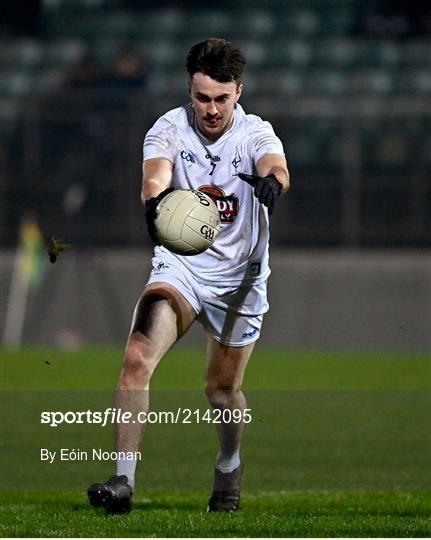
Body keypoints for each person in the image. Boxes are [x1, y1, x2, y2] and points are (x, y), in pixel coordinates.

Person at [87, 37, 290, 514]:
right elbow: (154, 178)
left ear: (238, 91)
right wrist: (156, 203)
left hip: (240, 280)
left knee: (221, 391)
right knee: (136, 355)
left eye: (222, 98)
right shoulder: (169, 128)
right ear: (190, 90)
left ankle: (228, 463)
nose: (212, 109)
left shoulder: (256, 131)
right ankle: (123, 481)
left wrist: (273, 184)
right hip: (182, 266)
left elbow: (276, 166)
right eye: (202, 97)